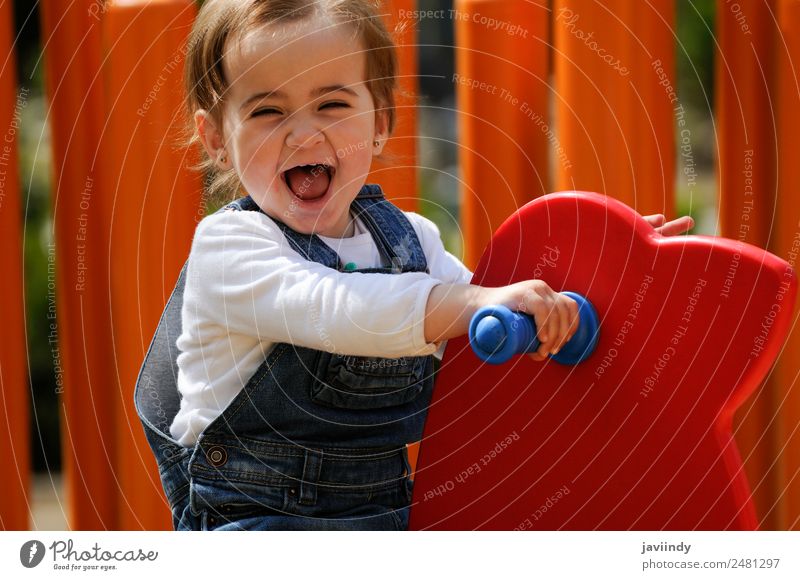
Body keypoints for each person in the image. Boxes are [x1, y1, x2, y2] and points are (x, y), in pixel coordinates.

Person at [135, 0, 693, 531]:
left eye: (332, 104)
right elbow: (338, 308)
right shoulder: (230, 247)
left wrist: (608, 270)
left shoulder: (410, 243)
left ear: (381, 120)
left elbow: (491, 321)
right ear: (217, 140)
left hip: (391, 514)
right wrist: (476, 301)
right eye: (266, 111)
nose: (303, 133)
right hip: (255, 522)